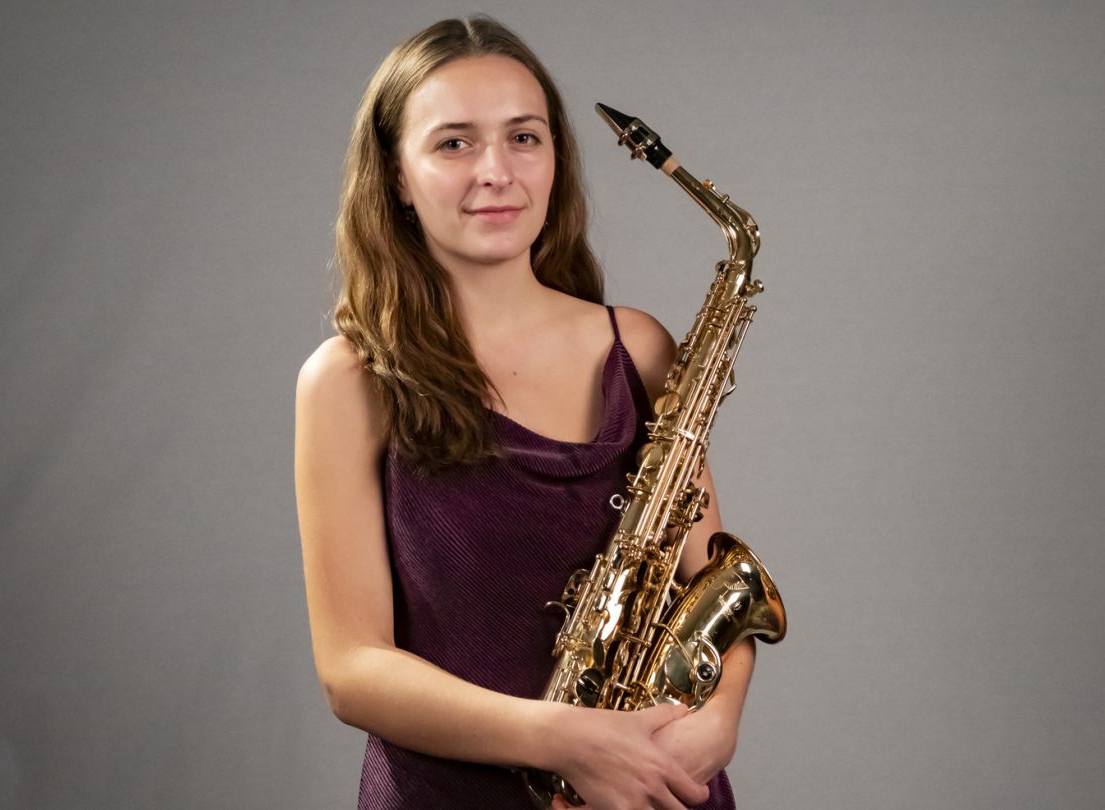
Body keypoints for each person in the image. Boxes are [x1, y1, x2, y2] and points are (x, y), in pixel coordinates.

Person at [293, 17, 757, 810]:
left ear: (556, 160)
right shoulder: (348, 380)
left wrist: (719, 720)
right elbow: (352, 669)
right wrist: (563, 740)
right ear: (397, 176)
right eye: (454, 144)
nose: (497, 172)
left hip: (654, 789)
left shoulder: (640, 349)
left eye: (524, 137)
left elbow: (711, 585)